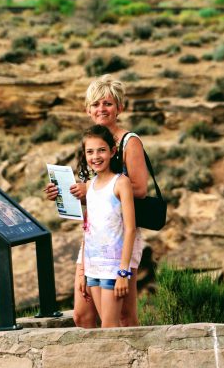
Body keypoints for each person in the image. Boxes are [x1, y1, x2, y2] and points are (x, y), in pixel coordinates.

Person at [44, 74, 149, 328]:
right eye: (96, 104)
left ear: (119, 108)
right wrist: (66, 194)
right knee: (82, 314)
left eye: (108, 103)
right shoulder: (91, 144)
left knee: (123, 315)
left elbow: (140, 188)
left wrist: (89, 188)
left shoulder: (128, 142)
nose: (101, 109)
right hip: (93, 238)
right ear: (88, 109)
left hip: (120, 237)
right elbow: (92, 195)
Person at [77, 124, 136, 328]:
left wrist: (123, 273)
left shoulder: (121, 183)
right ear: (84, 155)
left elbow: (130, 229)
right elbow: (88, 231)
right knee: (108, 330)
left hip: (113, 270)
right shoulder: (90, 187)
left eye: (101, 150)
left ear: (112, 152)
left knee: (108, 329)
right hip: (93, 269)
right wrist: (84, 272)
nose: (96, 156)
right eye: (90, 151)